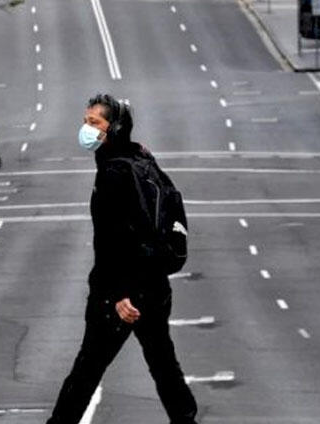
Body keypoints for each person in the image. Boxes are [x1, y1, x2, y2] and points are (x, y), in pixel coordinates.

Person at [47, 94, 198, 424]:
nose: (86, 129)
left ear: (113, 129)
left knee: (87, 369)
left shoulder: (113, 173)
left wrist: (119, 294)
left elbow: (113, 240)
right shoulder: (141, 157)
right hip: (154, 287)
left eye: (94, 123)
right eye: (85, 121)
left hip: (119, 295)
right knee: (163, 364)